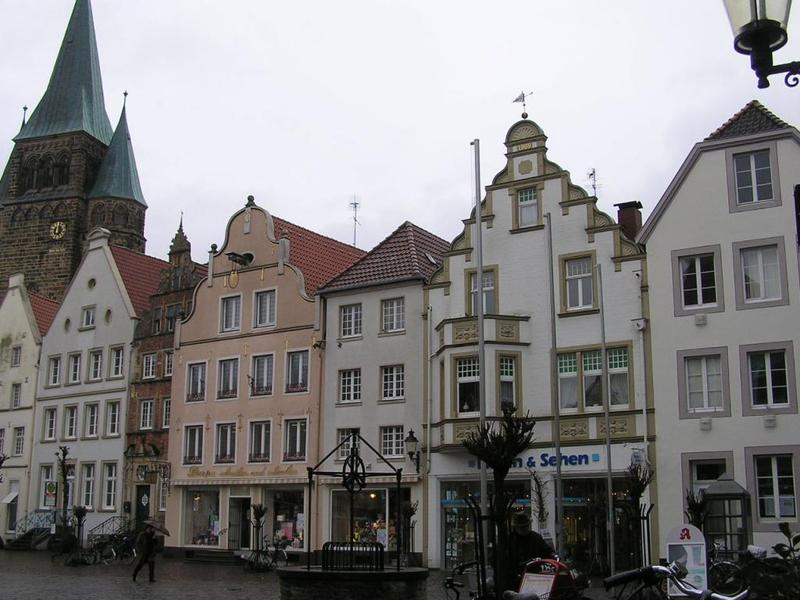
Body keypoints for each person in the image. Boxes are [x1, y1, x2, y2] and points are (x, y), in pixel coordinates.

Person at [508, 511, 555, 576]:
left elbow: (547, 551)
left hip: (534, 574)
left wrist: (553, 555)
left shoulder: (536, 538)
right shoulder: (510, 539)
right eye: (521, 527)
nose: (524, 529)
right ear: (516, 527)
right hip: (515, 575)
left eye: (526, 526)